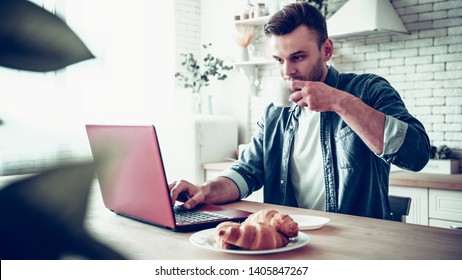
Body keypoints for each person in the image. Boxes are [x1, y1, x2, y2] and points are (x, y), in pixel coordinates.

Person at [169, 2, 430, 220]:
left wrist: (339, 101)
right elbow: (248, 171)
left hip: (355, 244)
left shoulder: (368, 89)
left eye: (297, 57)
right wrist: (204, 190)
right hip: (289, 242)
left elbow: (416, 154)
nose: (287, 72)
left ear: (326, 50)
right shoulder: (275, 113)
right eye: (279, 60)